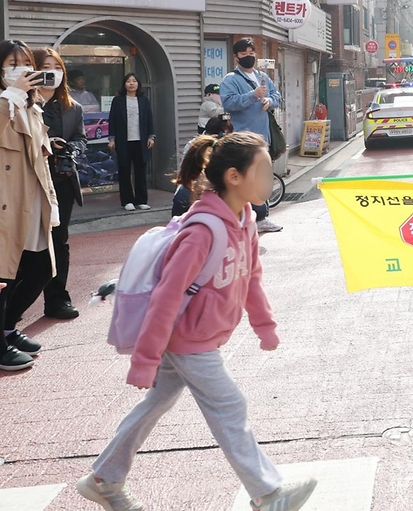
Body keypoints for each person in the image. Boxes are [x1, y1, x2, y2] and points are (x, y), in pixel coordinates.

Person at [76, 132, 317, 511]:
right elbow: (166, 298)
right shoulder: (201, 231)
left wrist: (264, 325)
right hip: (189, 336)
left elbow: (251, 275)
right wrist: (145, 359)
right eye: (264, 171)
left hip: (198, 333)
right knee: (229, 405)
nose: (271, 180)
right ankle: (269, 494)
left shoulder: (245, 219)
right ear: (234, 177)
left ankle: (103, 478)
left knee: (156, 403)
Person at [0, 40, 59, 372]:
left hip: (34, 200)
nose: (21, 68)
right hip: (5, 203)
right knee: (3, 275)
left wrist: (52, 201)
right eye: (12, 62)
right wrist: (11, 95)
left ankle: (8, 327)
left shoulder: (33, 107)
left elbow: (42, 162)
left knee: (39, 269)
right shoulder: (7, 102)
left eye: (26, 62)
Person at [36, 48, 86, 320]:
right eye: (46, 66)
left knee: (59, 239)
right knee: (24, 243)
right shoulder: (24, 104)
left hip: (62, 180)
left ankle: (57, 299)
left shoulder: (73, 107)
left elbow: (80, 137)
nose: (52, 72)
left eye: (57, 67)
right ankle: (12, 303)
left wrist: (71, 150)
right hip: (30, 181)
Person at [219, 38, 283, 234]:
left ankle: (261, 216)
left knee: (263, 177)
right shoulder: (231, 79)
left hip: (264, 137)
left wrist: (269, 102)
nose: (249, 56)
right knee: (248, 178)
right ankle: (252, 217)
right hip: (245, 139)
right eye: (244, 54)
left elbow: (277, 97)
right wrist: (253, 95)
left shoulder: (263, 76)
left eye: (251, 52)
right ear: (236, 57)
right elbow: (229, 103)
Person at [108, 74, 155, 212]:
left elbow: (149, 120)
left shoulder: (144, 100)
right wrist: (112, 139)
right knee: (124, 170)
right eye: (128, 81)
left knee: (141, 171)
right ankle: (127, 201)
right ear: (124, 84)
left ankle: (141, 200)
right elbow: (112, 120)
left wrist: (151, 137)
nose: (131, 83)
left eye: (134, 81)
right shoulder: (118, 101)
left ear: (138, 84)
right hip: (123, 141)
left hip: (141, 141)